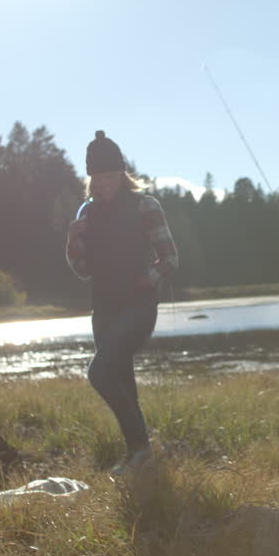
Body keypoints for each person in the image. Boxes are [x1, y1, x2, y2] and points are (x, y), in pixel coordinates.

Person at [66, 130, 180, 474]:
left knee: (99, 372)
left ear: (122, 174)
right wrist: (71, 242)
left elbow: (170, 257)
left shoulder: (146, 205)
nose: (103, 183)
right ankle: (140, 455)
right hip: (103, 309)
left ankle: (142, 450)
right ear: (90, 179)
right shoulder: (86, 211)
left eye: (110, 175)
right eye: (97, 177)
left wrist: (152, 277)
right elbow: (83, 270)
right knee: (122, 382)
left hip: (139, 304)